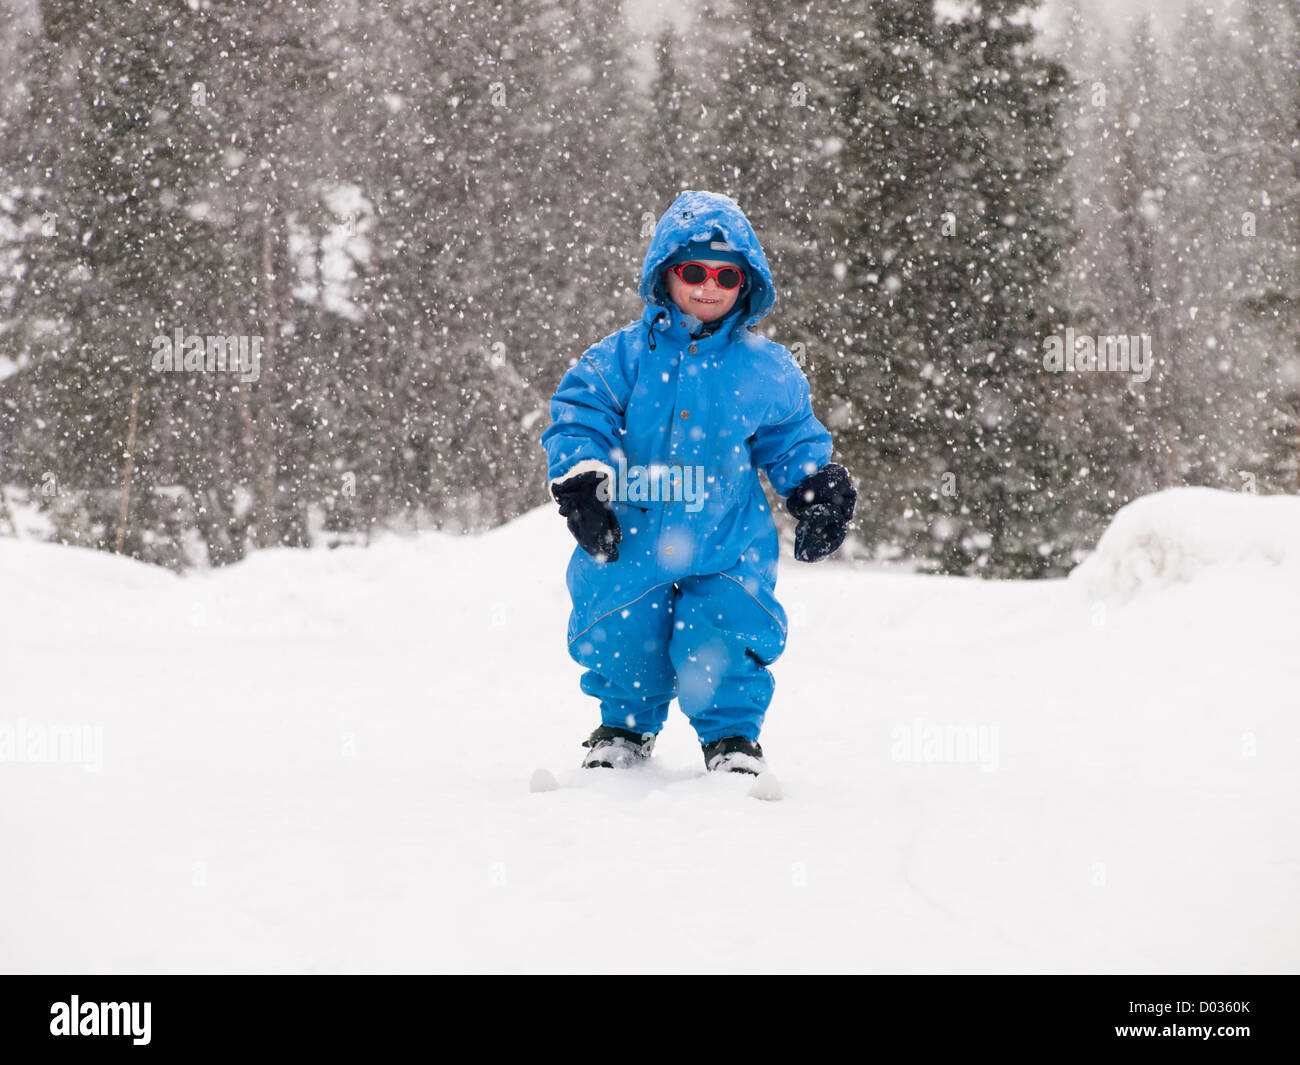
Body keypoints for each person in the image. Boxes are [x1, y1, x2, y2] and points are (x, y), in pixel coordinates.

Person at [540, 190, 856, 775]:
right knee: (622, 629)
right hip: (630, 533)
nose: (708, 287)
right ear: (666, 274)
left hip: (725, 537)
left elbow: (789, 436)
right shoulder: (622, 358)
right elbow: (581, 415)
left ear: (747, 284)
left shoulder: (765, 368)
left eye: (726, 276)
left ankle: (731, 738)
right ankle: (624, 728)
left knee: (726, 630)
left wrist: (815, 492)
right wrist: (583, 485)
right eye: (693, 272)